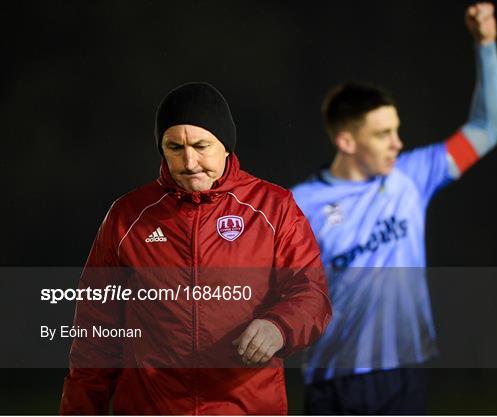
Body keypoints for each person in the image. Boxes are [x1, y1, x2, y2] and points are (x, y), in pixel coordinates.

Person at [60, 82, 332, 415]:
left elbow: (311, 293)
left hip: (246, 408)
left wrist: (280, 326)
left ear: (226, 145)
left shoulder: (275, 208)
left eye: (201, 146)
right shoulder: (127, 217)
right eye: (175, 147)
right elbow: (94, 333)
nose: (189, 162)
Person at [291, 3, 497, 414]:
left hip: (406, 371)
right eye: (384, 134)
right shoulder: (299, 204)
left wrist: (486, 44)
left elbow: (487, 127)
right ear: (346, 141)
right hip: (337, 380)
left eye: (397, 130)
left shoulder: (412, 175)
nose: (398, 143)